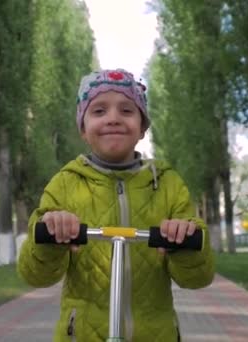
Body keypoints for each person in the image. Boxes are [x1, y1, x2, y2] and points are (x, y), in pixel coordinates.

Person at [17, 68, 214, 341]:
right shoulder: (65, 184)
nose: (113, 119)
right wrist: (50, 239)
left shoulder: (167, 184)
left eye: (126, 110)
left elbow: (198, 278)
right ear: (83, 129)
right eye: (99, 111)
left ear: (142, 127)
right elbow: (36, 276)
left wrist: (183, 241)